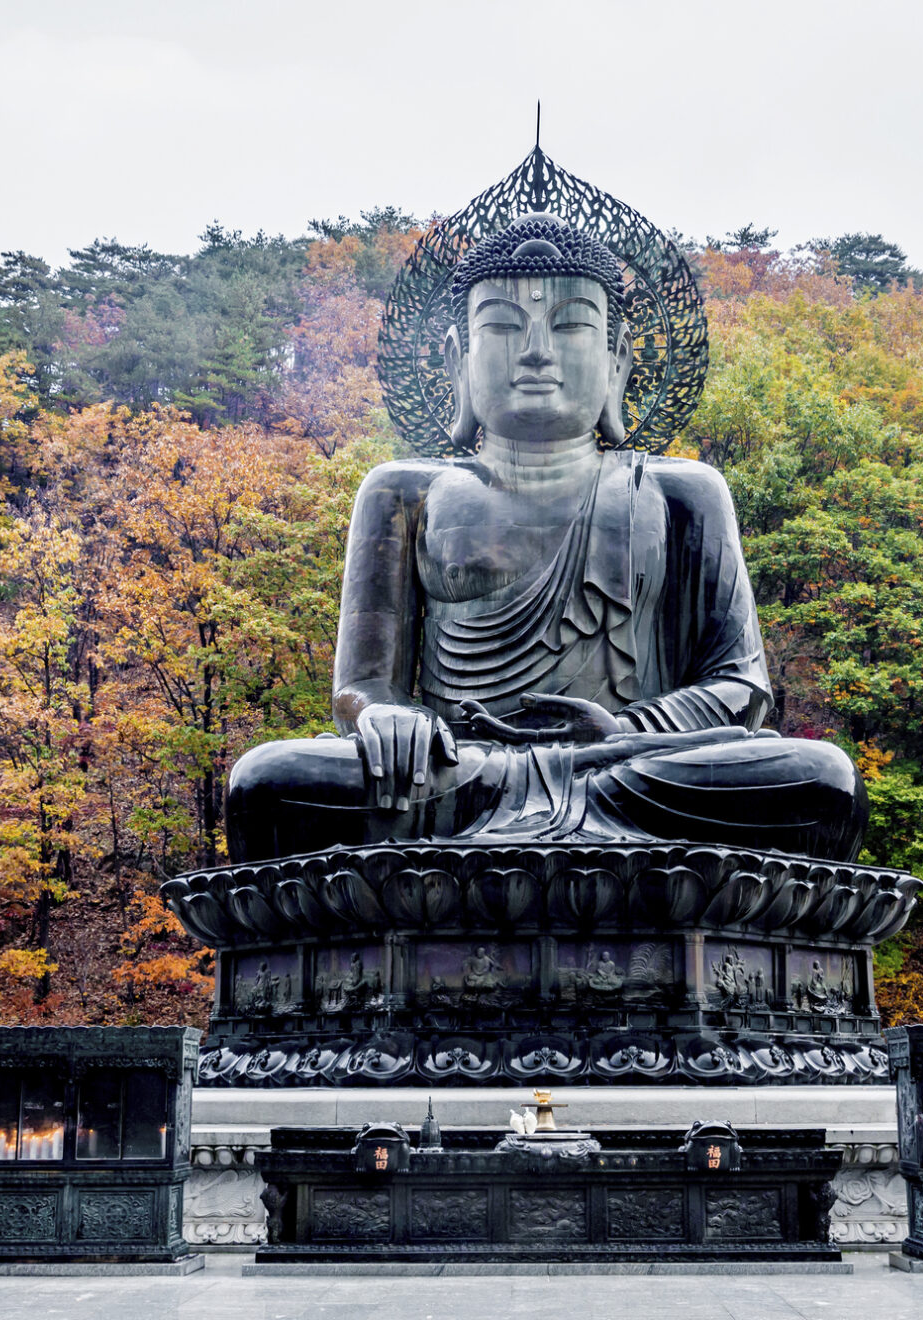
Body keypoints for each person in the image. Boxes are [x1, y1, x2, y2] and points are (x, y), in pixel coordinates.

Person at [226, 213, 866, 862]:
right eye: (502, 324)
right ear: (458, 359)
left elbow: (742, 686)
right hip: (458, 769)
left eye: (571, 324)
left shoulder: (684, 491)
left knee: (823, 782)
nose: (537, 350)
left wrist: (624, 730)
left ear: (617, 361)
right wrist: (391, 719)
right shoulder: (402, 490)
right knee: (265, 784)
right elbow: (363, 685)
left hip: (629, 765)